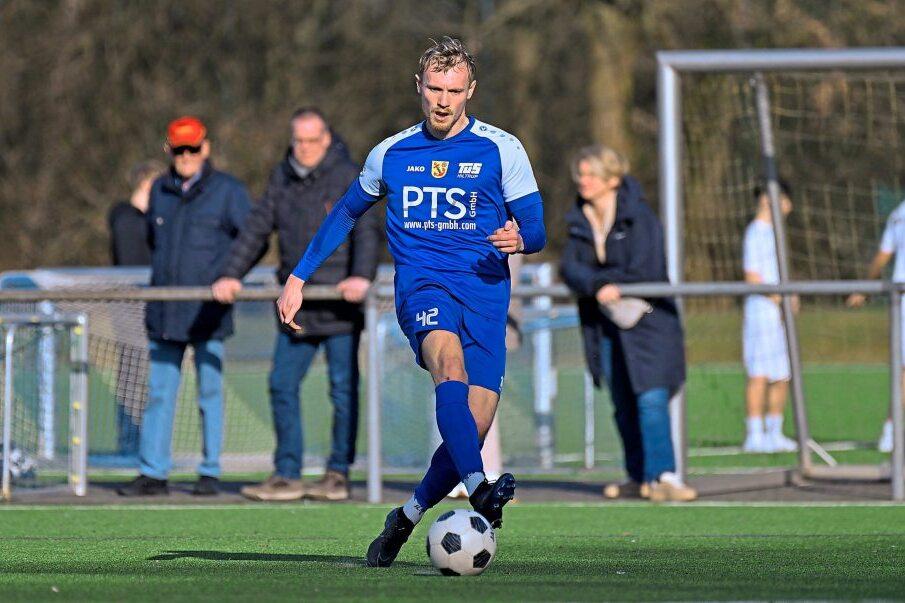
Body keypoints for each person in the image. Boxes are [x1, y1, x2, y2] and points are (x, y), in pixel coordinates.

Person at [277, 37, 545, 566]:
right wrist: (298, 276)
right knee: (447, 364)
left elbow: (536, 226)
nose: (442, 101)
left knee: (474, 421)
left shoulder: (502, 149)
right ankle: (478, 485)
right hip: (424, 288)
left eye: (453, 90)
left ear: (470, 90)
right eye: (433, 89)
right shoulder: (391, 153)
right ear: (418, 87)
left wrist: (521, 239)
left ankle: (405, 516)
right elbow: (345, 214)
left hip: (486, 296)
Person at [211, 108, 381, 502]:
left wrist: (361, 277)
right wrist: (232, 273)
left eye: (311, 140)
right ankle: (287, 473)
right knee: (281, 384)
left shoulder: (348, 177)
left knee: (342, 390)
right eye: (298, 141)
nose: (303, 149)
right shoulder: (281, 178)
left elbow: (367, 231)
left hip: (339, 304)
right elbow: (256, 229)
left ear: (326, 139)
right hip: (297, 303)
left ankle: (337, 473)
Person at [118, 116, 251, 496]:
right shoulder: (159, 189)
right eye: (180, 149)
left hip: (208, 312)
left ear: (205, 147)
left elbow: (251, 240)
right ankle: (153, 473)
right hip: (164, 310)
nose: (187, 155)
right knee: (159, 393)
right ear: (168, 150)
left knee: (209, 393)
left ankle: (210, 471)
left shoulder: (229, 191)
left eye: (193, 148)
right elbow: (152, 242)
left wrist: (231, 275)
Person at [560, 144, 695, 502]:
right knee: (621, 402)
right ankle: (638, 476)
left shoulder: (641, 217)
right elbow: (570, 268)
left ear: (613, 179)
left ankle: (664, 475)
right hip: (604, 324)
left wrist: (606, 281)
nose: (582, 181)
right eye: (580, 174)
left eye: (590, 174)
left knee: (651, 397)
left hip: (649, 322)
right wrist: (597, 285)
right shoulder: (577, 220)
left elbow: (646, 268)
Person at [108, 160, 165, 457]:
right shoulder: (127, 219)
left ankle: (146, 442)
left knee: (152, 377)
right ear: (146, 184)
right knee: (133, 374)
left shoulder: (149, 219)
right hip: (131, 309)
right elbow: (134, 265)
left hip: (148, 306)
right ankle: (131, 443)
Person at [742, 181, 799, 453]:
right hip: (761, 314)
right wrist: (780, 299)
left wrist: (791, 297)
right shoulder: (756, 232)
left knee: (782, 374)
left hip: (778, 315)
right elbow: (752, 277)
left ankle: (775, 431)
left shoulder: (776, 234)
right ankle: (754, 433)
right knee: (760, 373)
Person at [846, 196, 905, 453]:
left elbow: (882, 257)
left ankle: (890, 432)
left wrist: (866, 287)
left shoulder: (897, 213)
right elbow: (882, 257)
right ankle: (890, 431)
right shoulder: (898, 215)